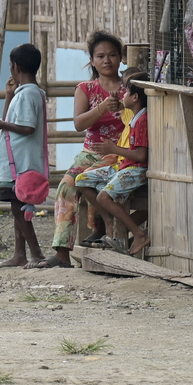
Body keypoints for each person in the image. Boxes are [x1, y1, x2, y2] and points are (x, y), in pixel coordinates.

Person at [48, 31, 125, 266]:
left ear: (121, 58)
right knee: (66, 186)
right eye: (100, 56)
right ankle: (62, 252)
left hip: (120, 154)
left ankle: (101, 229)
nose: (107, 60)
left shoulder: (130, 87)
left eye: (112, 55)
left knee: (94, 181)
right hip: (90, 153)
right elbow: (79, 123)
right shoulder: (86, 89)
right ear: (92, 60)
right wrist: (101, 108)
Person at [74, 72, 150, 257]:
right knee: (82, 179)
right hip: (125, 166)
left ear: (134, 97)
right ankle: (110, 222)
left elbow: (141, 155)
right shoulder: (133, 115)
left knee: (103, 198)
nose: (122, 95)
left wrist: (114, 149)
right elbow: (119, 104)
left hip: (136, 169)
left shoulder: (142, 121)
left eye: (125, 92)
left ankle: (139, 235)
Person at [0, 43, 47, 268]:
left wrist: (1, 123)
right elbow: (8, 123)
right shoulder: (25, 93)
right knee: (15, 205)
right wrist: (8, 98)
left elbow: (27, 127)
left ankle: (36, 253)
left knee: (18, 207)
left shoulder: (29, 94)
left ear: (15, 67)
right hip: (14, 162)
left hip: (19, 164)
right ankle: (19, 253)